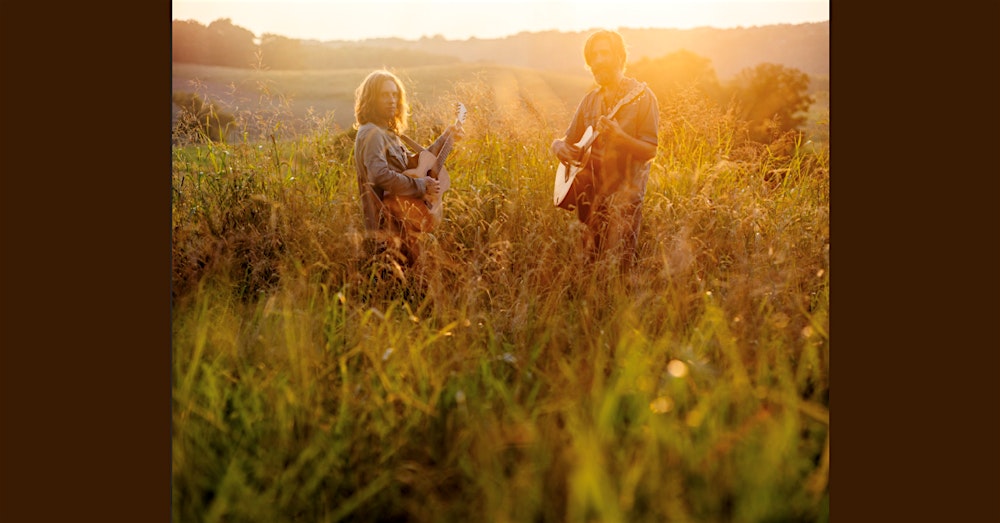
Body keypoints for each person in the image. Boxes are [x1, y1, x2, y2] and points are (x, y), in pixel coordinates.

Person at [551, 30, 659, 270]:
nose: (598, 61)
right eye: (593, 57)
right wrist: (557, 146)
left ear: (620, 57)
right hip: (587, 198)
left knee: (620, 269)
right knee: (589, 267)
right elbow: (568, 141)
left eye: (604, 53)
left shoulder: (641, 97)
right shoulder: (589, 100)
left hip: (625, 201)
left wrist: (620, 137)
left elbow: (650, 150)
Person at [353, 69, 463, 268]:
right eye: (385, 95)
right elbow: (379, 175)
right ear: (371, 98)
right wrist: (421, 186)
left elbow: (416, 165)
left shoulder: (389, 133)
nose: (391, 100)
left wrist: (447, 137)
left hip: (403, 223)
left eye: (395, 94)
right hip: (388, 228)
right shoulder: (372, 133)